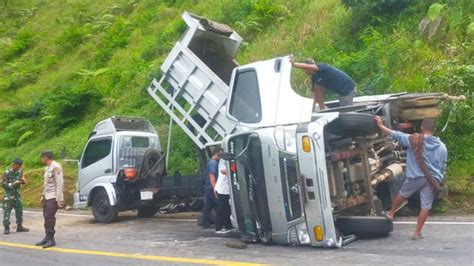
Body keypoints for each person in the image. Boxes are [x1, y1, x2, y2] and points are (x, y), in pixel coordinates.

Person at [375, 117, 447, 240]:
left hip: (416, 177)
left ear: (422, 128)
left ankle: (391, 213)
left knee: (403, 193)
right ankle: (416, 233)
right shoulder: (442, 147)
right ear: (434, 129)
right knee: (425, 206)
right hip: (432, 180)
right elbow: (442, 166)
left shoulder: (413, 139)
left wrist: (381, 126)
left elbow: (394, 134)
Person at [290, 56, 356, 110]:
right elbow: (313, 96)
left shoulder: (322, 67)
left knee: (345, 112)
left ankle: (322, 108)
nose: (305, 72)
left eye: (305, 69)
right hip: (338, 89)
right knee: (317, 87)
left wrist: (294, 64)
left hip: (347, 88)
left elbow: (307, 66)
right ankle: (322, 109)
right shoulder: (314, 77)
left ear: (309, 68)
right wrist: (309, 111)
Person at [36, 151, 64, 248]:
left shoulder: (56, 167)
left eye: (42, 157)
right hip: (47, 196)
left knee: (49, 217)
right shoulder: (47, 168)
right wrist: (43, 195)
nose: (41, 159)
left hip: (53, 196)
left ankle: (51, 239)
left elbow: (59, 184)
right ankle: (47, 237)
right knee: (46, 217)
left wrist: (58, 199)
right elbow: (47, 184)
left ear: (46, 157)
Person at [2, 158, 29, 235]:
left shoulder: (20, 171)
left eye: (19, 167)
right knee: (7, 212)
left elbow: (21, 179)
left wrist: (23, 181)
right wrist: (13, 184)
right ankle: (6, 227)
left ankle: (19, 226)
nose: (18, 168)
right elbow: (3, 184)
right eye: (17, 167)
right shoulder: (7, 173)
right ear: (13, 164)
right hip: (9, 195)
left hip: (17, 195)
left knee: (19, 210)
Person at [200, 149, 220, 229]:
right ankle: (221, 223)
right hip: (212, 188)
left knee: (207, 207)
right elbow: (212, 176)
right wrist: (215, 188)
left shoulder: (209, 162)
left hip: (208, 187)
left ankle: (205, 223)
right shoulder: (213, 163)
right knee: (220, 205)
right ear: (216, 155)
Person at [214, 157, 233, 234]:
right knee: (221, 209)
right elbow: (223, 171)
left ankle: (228, 226)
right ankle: (218, 227)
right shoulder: (223, 160)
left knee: (227, 208)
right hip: (222, 189)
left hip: (227, 189)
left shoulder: (229, 160)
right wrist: (233, 170)